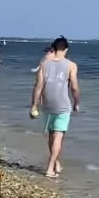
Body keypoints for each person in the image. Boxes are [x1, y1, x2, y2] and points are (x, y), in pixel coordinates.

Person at [29, 36, 80, 178]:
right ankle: (50, 168)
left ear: (53, 48)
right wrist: (76, 103)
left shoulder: (44, 64)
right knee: (58, 137)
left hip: (47, 104)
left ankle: (56, 162)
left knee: (51, 136)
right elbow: (74, 88)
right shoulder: (71, 65)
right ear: (66, 49)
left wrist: (34, 105)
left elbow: (38, 87)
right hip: (63, 105)